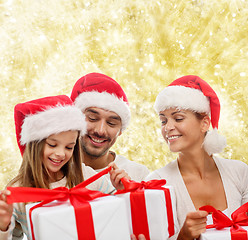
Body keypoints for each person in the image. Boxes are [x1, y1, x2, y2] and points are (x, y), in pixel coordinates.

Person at [0, 95, 127, 240]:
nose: (60, 154)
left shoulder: (87, 176)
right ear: (34, 145)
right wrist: (3, 227)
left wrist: (122, 192)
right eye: (52, 145)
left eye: (69, 147)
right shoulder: (19, 192)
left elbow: (116, 214)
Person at [146, 75, 248, 239]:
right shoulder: (157, 183)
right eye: (163, 121)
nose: (168, 128)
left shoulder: (240, 173)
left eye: (178, 118)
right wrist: (183, 237)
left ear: (205, 123)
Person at [70, 72, 150, 182]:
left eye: (111, 123)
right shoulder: (52, 171)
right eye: (92, 118)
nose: (100, 130)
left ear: (121, 130)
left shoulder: (138, 175)